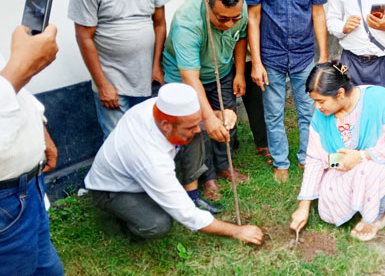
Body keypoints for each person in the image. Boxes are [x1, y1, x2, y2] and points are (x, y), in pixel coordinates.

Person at [84, 82, 264, 244]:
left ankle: (192, 196)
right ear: (166, 126)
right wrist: (237, 231)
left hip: (142, 173)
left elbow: (196, 120)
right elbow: (186, 215)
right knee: (158, 223)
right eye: (189, 127)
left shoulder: (161, 109)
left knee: (198, 131)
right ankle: (126, 222)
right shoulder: (149, 156)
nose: (196, 129)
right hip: (114, 190)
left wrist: (217, 115)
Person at [289, 62, 385, 240]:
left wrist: (362, 156)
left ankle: (376, 218)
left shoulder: (380, 98)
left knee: (366, 171)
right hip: (348, 166)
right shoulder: (321, 116)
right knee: (327, 205)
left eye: (321, 101)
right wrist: (303, 207)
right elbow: (316, 159)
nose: (317, 107)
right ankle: (364, 199)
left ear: (339, 93)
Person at [246, 0, 329, 183]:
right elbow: (254, 17)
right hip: (270, 55)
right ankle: (281, 162)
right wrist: (256, 61)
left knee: (308, 110)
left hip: (305, 54)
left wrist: (324, 56)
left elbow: (318, 12)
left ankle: (306, 158)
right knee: (273, 113)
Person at [68, 0, 170, 139]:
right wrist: (103, 84)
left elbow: (160, 23)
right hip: (113, 79)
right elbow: (84, 37)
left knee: (149, 136)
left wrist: (156, 66)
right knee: (119, 141)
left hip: (147, 78)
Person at [184, 0, 269, 162]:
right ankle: (228, 144)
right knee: (224, 93)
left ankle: (262, 142)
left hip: (242, 37)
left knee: (253, 91)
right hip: (215, 48)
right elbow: (192, 6)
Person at [162, 0, 248, 201]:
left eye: (234, 18)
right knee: (200, 128)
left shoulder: (239, 8)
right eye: (222, 19)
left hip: (222, 71)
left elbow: (241, 37)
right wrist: (209, 118)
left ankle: (224, 167)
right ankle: (207, 177)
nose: (230, 24)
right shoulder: (186, 24)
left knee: (228, 118)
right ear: (207, 3)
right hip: (187, 77)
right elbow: (191, 79)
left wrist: (239, 72)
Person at [0, 24, 63, 275]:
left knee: (47, 269)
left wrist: (39, 124)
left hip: (30, 187)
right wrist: (21, 69)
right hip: (5, 199)